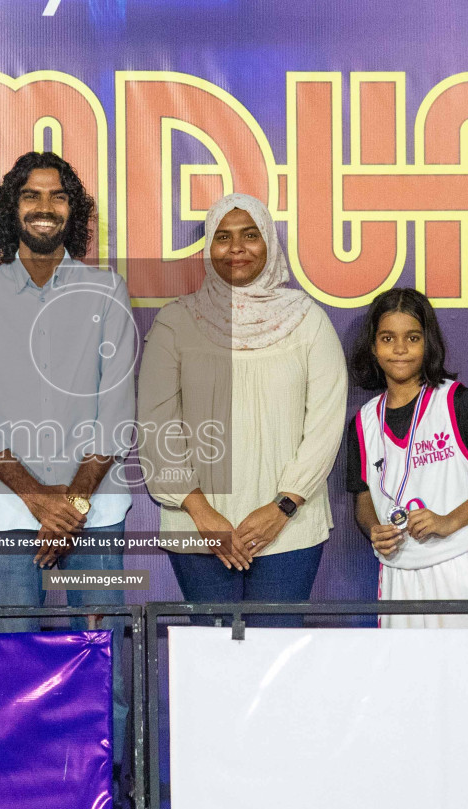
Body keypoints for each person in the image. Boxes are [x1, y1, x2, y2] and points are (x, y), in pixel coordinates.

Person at [0, 149, 135, 759]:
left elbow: (117, 409)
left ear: (72, 210)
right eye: (32, 196)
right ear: (13, 208)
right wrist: (39, 498)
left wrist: (73, 502)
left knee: (101, 656)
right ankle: (23, 804)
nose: (45, 207)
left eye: (58, 197)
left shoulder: (107, 290)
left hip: (98, 514)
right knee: (13, 658)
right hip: (10, 516)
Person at [137, 193, 346, 623]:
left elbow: (325, 424)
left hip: (288, 528)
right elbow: (157, 423)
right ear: (207, 249)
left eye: (250, 235)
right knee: (213, 664)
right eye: (223, 237)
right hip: (198, 527)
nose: (236, 248)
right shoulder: (176, 322)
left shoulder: (307, 320)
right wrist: (199, 509)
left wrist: (282, 506)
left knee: (274, 660)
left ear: (269, 243)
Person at [347, 288, 468, 628]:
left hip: (460, 564)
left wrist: (448, 521)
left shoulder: (455, 401)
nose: (400, 349)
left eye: (412, 338)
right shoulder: (364, 421)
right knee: (406, 679)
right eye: (387, 338)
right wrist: (374, 529)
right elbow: (364, 500)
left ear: (428, 343)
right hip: (398, 572)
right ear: (373, 346)